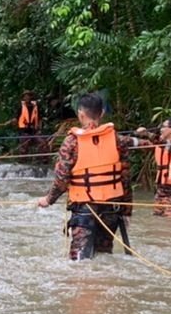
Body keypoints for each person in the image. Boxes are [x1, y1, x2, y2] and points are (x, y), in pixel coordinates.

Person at [38, 93, 146, 260]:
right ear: (102, 113)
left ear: (80, 114)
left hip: (84, 209)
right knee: (103, 256)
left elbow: (62, 179)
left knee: (79, 261)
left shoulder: (71, 142)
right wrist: (126, 211)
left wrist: (48, 200)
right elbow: (125, 177)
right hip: (112, 208)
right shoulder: (117, 140)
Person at [17, 90, 42, 157]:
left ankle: (43, 159)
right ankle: (23, 160)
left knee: (42, 143)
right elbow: (16, 117)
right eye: (25, 96)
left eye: (28, 96)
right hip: (24, 131)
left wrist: (39, 129)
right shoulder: (20, 107)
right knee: (24, 144)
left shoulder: (36, 107)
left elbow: (40, 119)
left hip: (34, 131)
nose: (27, 98)